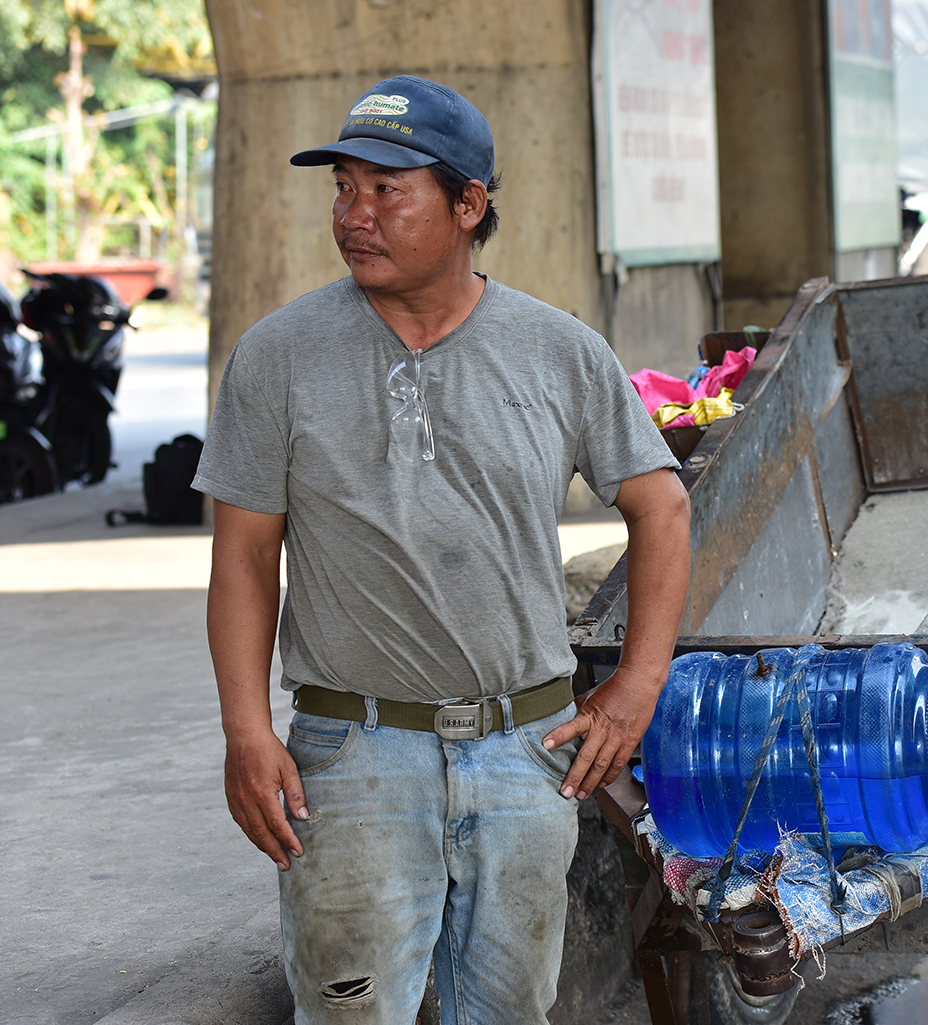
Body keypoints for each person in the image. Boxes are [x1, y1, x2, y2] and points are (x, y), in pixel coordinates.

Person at [195, 75, 691, 1025]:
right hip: (353, 758)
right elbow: (246, 560)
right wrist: (248, 732)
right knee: (350, 1014)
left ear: (470, 204)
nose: (355, 215)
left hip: (526, 751)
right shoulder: (278, 355)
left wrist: (639, 683)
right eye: (343, 187)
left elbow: (661, 509)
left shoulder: (559, 351)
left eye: (388, 190)